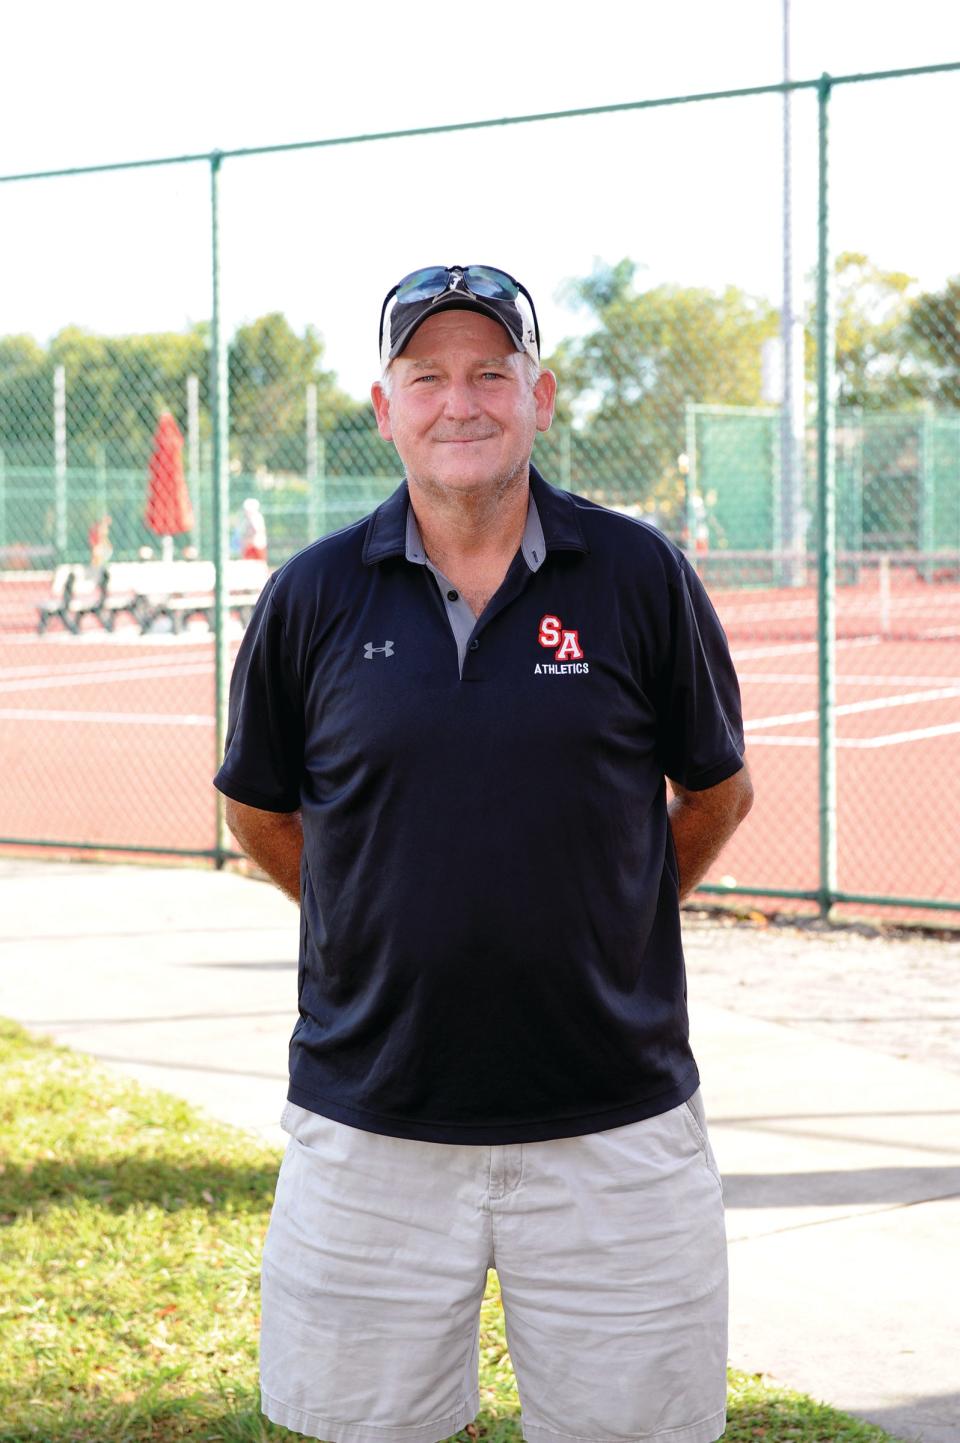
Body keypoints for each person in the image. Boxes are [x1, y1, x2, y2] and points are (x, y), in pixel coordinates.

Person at [214, 264, 754, 1443]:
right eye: (428, 378)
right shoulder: (308, 596)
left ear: (540, 396)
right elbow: (257, 809)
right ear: (384, 406)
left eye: (490, 374)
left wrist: (610, 912)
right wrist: (363, 910)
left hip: (615, 1131)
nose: (461, 403)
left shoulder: (639, 574)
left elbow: (715, 791)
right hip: (369, 1130)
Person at [238, 496, 268, 560]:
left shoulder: (256, 517)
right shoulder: (245, 519)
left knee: (260, 562)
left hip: (257, 544)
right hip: (249, 545)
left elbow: (257, 530)